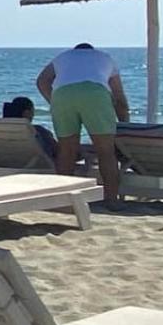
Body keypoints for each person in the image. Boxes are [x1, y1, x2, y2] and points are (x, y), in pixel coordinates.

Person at [37, 43, 129, 205]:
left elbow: (42, 82)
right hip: (95, 93)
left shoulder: (63, 57)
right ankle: (111, 200)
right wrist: (125, 124)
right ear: (92, 51)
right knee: (106, 151)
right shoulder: (105, 58)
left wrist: (53, 102)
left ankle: (63, 200)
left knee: (66, 150)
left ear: (76, 50)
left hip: (62, 95)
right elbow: (119, 97)